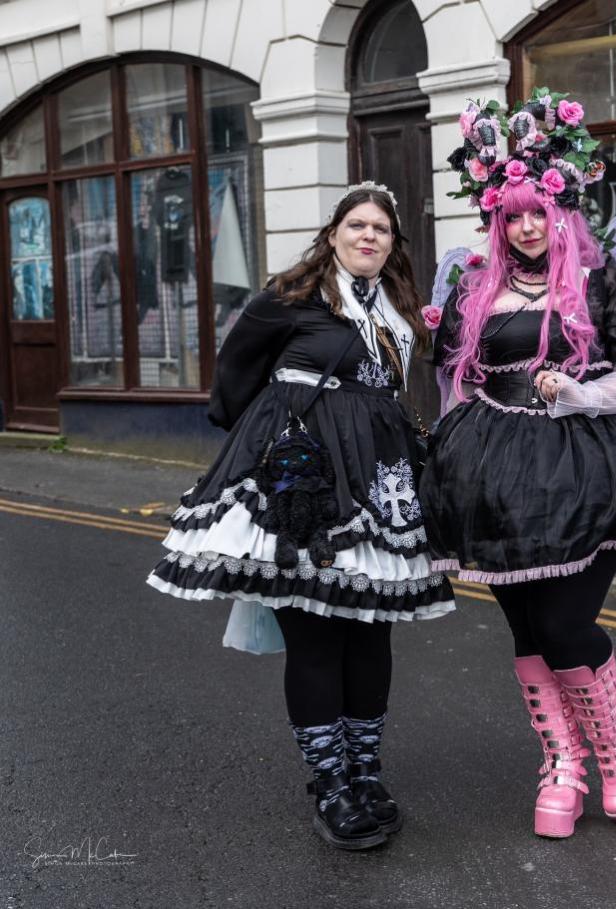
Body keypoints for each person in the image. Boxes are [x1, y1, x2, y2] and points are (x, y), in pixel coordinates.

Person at [420, 92, 616, 839]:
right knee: (527, 628)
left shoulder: (606, 277)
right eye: (511, 215)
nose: (526, 226)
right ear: (496, 219)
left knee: (568, 620)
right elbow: (462, 376)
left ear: (561, 204)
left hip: (591, 459)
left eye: (536, 210)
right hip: (500, 470)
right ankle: (562, 759)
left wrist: (580, 393)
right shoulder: (478, 285)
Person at [147, 182, 455, 851]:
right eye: (357, 225)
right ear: (334, 232)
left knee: (372, 630)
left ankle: (365, 770)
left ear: (392, 244)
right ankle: (329, 781)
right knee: (315, 632)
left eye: (381, 228)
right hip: (303, 478)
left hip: (380, 479)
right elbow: (234, 372)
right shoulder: (292, 297)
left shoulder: (399, 309)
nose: (368, 236)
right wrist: (261, 436)